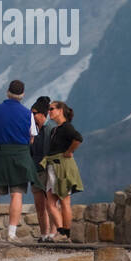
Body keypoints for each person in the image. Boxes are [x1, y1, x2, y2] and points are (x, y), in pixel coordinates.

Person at [0, 79, 39, 242]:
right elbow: (32, 137)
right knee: (17, 194)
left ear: (7, 92)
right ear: (23, 95)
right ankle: (11, 233)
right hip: (20, 154)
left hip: (1, 154)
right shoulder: (28, 114)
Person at [40, 101, 83, 239]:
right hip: (52, 166)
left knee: (64, 200)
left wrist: (69, 151)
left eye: (51, 108)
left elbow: (78, 138)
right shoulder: (55, 130)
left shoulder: (66, 127)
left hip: (62, 167)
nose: (49, 111)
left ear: (60, 110)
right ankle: (61, 230)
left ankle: (66, 232)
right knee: (50, 202)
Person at [29, 96, 60, 242]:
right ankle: (43, 234)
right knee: (39, 205)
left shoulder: (51, 129)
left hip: (49, 171)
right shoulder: (32, 132)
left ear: (43, 114)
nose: (33, 116)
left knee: (51, 204)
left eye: (35, 113)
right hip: (35, 172)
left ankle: (53, 233)